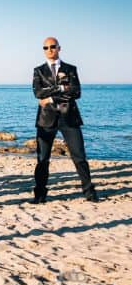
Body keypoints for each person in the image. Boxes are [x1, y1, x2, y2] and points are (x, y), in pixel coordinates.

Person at [31, 37, 99, 204]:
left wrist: (51, 98)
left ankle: (89, 193)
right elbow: (38, 93)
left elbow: (76, 92)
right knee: (42, 159)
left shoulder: (70, 69)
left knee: (79, 156)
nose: (49, 50)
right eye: (45, 47)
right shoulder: (38, 70)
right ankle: (40, 195)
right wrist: (61, 88)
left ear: (59, 48)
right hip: (46, 120)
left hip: (69, 118)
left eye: (52, 47)